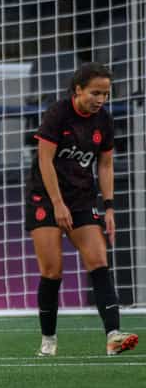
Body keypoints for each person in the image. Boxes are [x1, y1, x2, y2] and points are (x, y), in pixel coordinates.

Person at [25, 62, 138, 357]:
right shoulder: (58, 114)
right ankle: (48, 341)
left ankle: (113, 336)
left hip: (82, 199)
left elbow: (105, 163)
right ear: (78, 90)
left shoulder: (104, 120)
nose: (100, 99)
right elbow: (44, 161)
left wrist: (109, 206)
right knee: (52, 270)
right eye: (95, 93)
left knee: (99, 260)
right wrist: (58, 205)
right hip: (46, 199)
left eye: (105, 94)